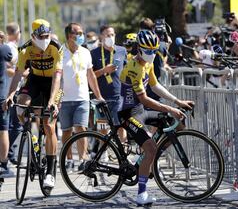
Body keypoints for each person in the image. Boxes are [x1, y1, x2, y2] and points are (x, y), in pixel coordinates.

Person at [118, 29, 193, 205]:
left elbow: (155, 85)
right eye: (149, 51)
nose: (153, 54)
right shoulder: (133, 67)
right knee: (151, 147)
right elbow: (144, 98)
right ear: (139, 49)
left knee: (178, 124)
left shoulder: (147, 64)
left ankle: (147, 160)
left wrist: (177, 101)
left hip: (139, 110)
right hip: (127, 113)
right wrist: (171, 108)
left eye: (155, 50)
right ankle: (141, 194)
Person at [4, 19, 62, 190]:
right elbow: (18, 74)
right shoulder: (25, 49)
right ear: (33, 36)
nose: (45, 38)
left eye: (47, 35)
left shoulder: (56, 47)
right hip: (35, 80)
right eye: (41, 36)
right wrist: (10, 95)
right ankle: (33, 138)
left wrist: (52, 101)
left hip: (53, 82)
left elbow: (58, 77)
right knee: (21, 106)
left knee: (49, 125)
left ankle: (50, 173)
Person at [60, 23, 104, 172]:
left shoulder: (85, 52)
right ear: (69, 36)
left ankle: (83, 159)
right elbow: (57, 79)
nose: (81, 35)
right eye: (77, 33)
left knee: (81, 129)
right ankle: (69, 159)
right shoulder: (60, 52)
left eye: (81, 32)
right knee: (66, 131)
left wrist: (98, 96)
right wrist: (56, 99)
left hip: (82, 98)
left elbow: (91, 76)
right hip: (64, 99)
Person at [91, 25, 127, 142]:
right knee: (103, 128)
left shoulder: (122, 50)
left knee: (121, 125)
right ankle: (104, 152)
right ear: (101, 36)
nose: (110, 37)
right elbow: (90, 76)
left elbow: (127, 70)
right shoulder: (94, 53)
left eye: (112, 35)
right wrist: (103, 71)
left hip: (119, 96)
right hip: (101, 97)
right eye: (107, 35)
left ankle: (123, 153)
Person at [4, 23, 22, 165]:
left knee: (14, 125)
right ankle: (7, 154)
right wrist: (22, 74)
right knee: (14, 125)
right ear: (17, 33)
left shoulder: (13, 48)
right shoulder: (10, 48)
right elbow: (7, 69)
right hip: (10, 90)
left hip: (13, 89)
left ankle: (9, 153)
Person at [0, 44, 13, 177]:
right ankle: (3, 164)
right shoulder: (3, 49)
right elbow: (11, 57)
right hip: (1, 97)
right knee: (3, 131)